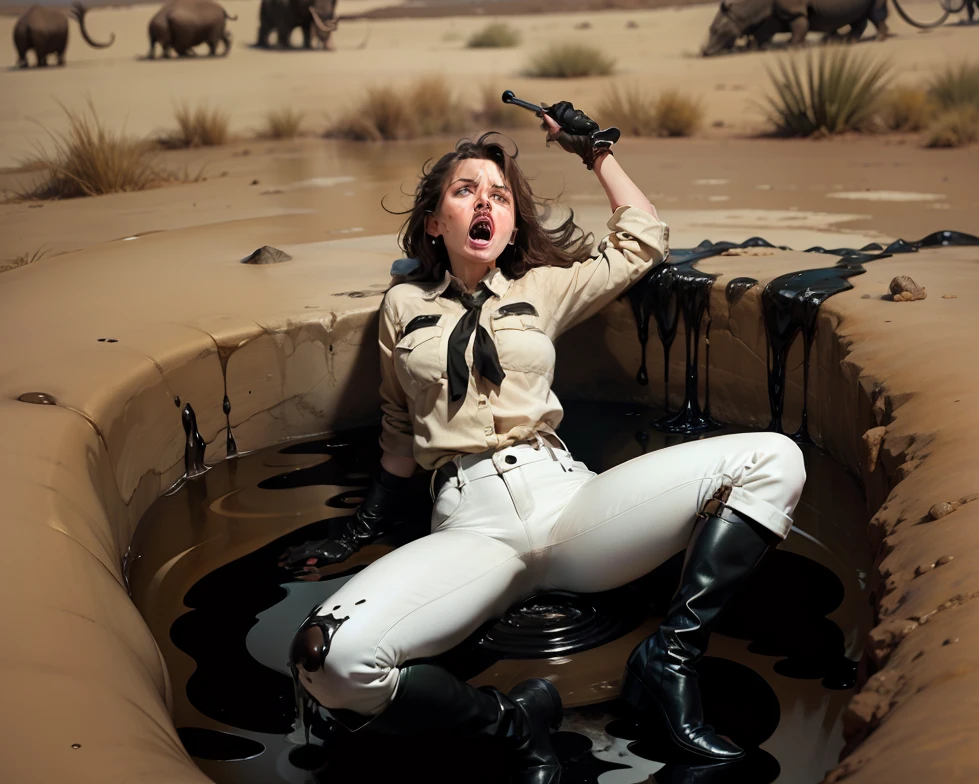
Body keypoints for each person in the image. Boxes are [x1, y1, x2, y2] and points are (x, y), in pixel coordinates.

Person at [282, 104, 806, 783]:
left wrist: (594, 152)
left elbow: (642, 241)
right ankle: (509, 723)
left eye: (498, 196)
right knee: (327, 660)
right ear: (436, 221)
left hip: (572, 504)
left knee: (774, 460)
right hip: (472, 528)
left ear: (508, 225)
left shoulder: (542, 287)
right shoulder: (402, 307)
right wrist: (358, 529)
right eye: (466, 190)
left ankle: (669, 659)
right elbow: (399, 431)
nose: (485, 203)